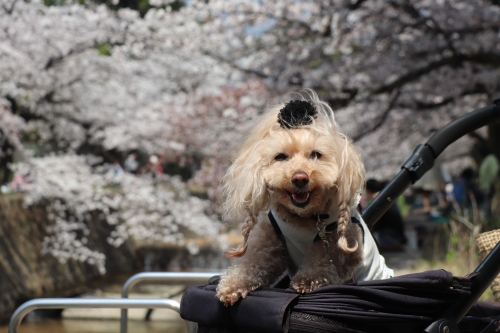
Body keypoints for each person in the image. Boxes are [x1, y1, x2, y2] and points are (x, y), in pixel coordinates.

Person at [365, 179, 407, 251]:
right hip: (398, 236)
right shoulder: (385, 198)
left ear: (368, 191)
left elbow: (374, 225)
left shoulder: (377, 202)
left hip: (392, 237)